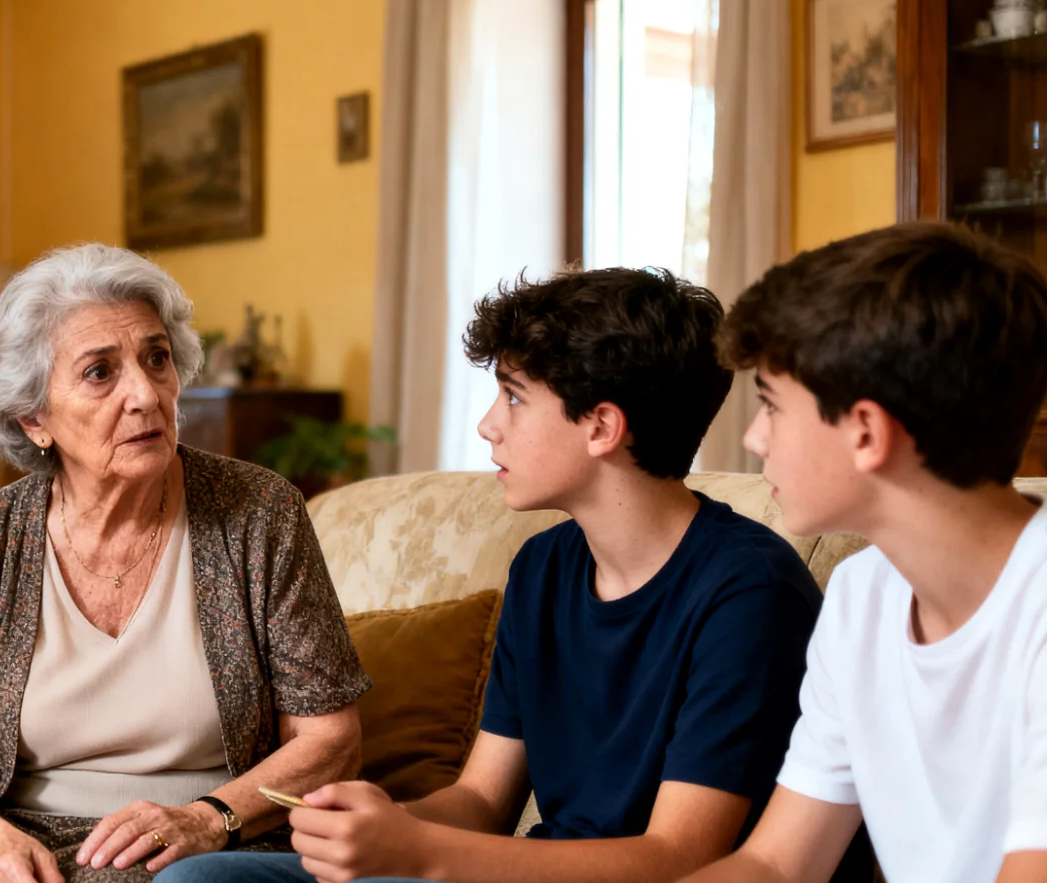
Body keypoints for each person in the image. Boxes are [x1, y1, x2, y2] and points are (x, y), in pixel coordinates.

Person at [162, 267, 840, 883]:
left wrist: (418, 851)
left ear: (602, 426)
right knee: (202, 881)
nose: (489, 426)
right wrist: (382, 824)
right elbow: (482, 801)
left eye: (514, 397)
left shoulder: (749, 592)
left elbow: (678, 857)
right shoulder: (544, 567)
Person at [0, 243, 370, 883]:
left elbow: (332, 742)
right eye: (100, 372)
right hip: (15, 822)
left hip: (200, 832)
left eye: (156, 359)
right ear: (34, 418)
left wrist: (207, 818)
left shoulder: (259, 514)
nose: (144, 394)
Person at [680, 223, 1047, 883]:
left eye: (771, 406)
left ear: (867, 432)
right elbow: (776, 863)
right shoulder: (861, 593)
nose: (755, 439)